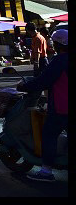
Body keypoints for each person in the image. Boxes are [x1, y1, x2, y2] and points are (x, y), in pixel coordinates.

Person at [18, 28, 68, 182]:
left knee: (49, 134)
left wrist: (24, 87)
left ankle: (46, 171)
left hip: (62, 107)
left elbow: (43, 81)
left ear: (57, 44)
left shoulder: (60, 60)